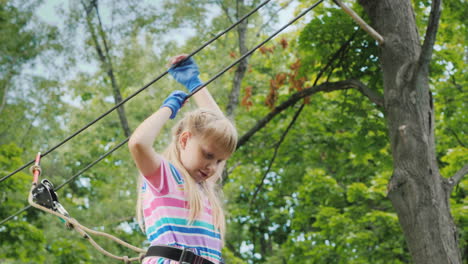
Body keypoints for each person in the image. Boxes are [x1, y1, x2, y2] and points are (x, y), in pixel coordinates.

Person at [128, 54, 237, 264]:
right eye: (208, 155)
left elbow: (221, 132)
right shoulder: (167, 177)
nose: (213, 167)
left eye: (219, 161)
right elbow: (138, 143)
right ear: (185, 140)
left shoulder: (204, 186)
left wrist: (195, 83)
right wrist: (168, 108)